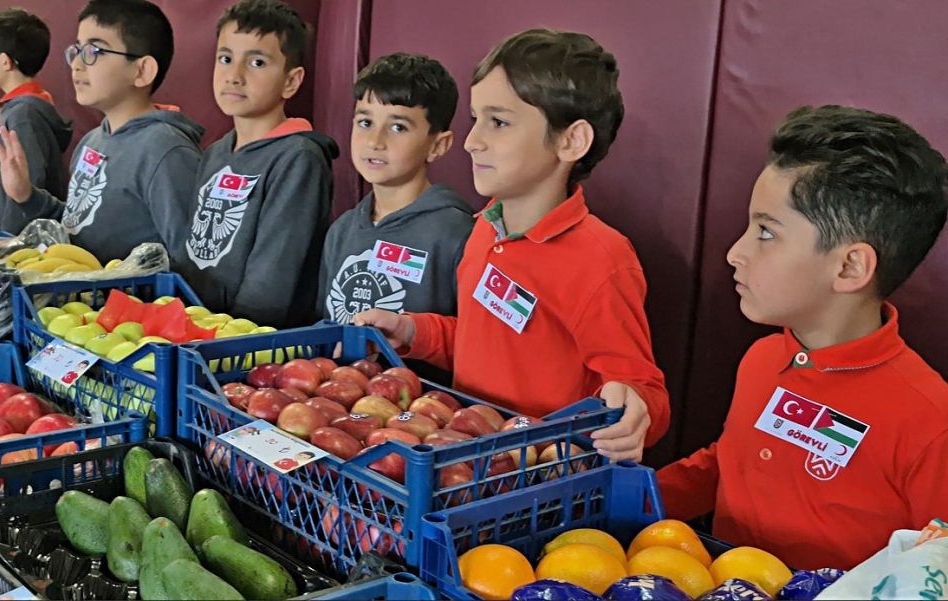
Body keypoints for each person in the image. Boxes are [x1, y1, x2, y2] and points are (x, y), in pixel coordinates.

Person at [355, 29, 669, 462]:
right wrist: (411, 329)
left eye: (498, 122)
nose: (471, 141)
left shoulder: (604, 259)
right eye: (476, 118)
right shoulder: (484, 227)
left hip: (538, 485)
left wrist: (634, 411)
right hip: (466, 461)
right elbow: (482, 340)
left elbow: (644, 393)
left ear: (570, 140)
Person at [657, 106, 948, 570]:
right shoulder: (761, 359)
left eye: (766, 232)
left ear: (850, 267)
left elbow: (936, 569)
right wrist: (635, 496)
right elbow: (728, 465)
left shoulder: (931, 423)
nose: (735, 252)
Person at [0, 0, 202, 263]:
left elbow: (190, 260)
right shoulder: (91, 142)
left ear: (142, 70)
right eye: (78, 50)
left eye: (95, 50)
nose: (77, 64)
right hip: (85, 301)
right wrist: (26, 195)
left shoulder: (167, 151)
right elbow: (78, 228)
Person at [173, 0, 338, 328]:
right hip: (196, 332)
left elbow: (272, 281)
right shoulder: (216, 152)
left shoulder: (298, 158)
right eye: (225, 58)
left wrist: (232, 340)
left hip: (248, 346)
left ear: (291, 81)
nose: (234, 76)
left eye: (257, 62)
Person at [318, 53, 472, 329]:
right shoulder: (341, 230)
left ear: (438, 145)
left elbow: (471, 341)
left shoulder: (456, 233)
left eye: (398, 127)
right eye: (365, 123)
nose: (375, 141)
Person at [0, 8, 72, 235]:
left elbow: (27, 191)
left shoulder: (24, 115)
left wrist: (5, 245)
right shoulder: (17, 109)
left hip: (14, 248)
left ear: (5, 61)